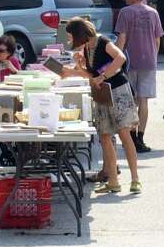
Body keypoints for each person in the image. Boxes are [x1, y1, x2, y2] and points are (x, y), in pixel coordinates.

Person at [60, 18, 140, 194]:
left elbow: (120, 58)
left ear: (79, 34)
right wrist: (75, 69)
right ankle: (113, 181)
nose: (69, 40)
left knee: (123, 134)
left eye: (70, 36)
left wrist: (102, 77)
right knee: (104, 136)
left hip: (117, 90)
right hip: (102, 93)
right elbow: (91, 74)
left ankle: (135, 180)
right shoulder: (87, 47)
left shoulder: (103, 41)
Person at [114, 0, 163, 154]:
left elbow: (121, 39)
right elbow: (157, 40)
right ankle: (140, 138)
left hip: (130, 62)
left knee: (131, 101)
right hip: (148, 62)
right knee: (143, 101)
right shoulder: (153, 13)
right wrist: (152, 57)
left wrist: (114, 62)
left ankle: (132, 138)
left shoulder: (125, 13)